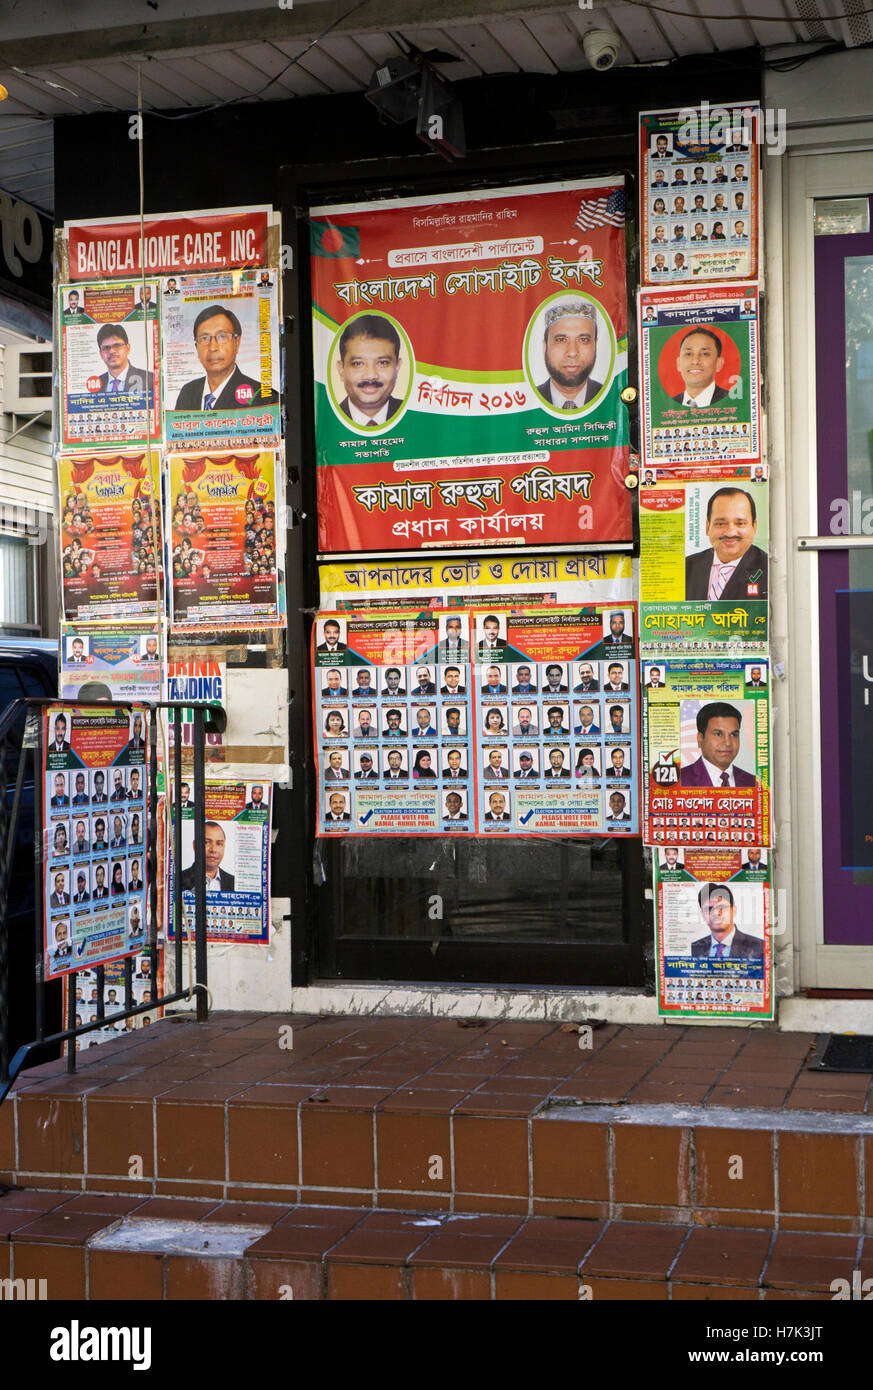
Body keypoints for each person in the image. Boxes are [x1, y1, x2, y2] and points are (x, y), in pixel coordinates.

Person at [174, 304, 276, 410]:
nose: (213, 347)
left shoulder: (264, 398)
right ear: (196, 347)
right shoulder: (188, 392)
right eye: (204, 338)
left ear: (237, 342)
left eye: (222, 336)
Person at [685, 487, 768, 600]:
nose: (730, 532)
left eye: (740, 523)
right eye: (720, 524)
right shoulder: (686, 567)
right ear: (707, 527)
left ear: (754, 527)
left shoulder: (770, 569)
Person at [335, 314, 404, 426]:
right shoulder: (327, 421)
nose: (371, 375)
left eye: (383, 363)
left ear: (397, 367)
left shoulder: (416, 418)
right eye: (358, 363)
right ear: (341, 369)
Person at [535, 299, 602, 410]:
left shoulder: (612, 398)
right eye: (561, 340)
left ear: (595, 345)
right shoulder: (530, 400)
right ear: (545, 347)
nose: (572, 352)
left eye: (583, 340)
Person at [682, 701, 756, 787]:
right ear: (700, 738)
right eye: (718, 734)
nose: (728, 743)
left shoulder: (753, 782)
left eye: (733, 734)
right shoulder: (681, 780)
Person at [691, 882, 763, 959]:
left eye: (721, 907)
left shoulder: (759, 946)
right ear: (702, 914)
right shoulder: (696, 947)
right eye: (709, 909)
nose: (715, 913)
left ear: (734, 911)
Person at [671, 328, 728, 407]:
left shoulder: (733, 401)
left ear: (719, 363)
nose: (695, 361)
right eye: (688, 354)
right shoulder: (667, 405)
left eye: (704, 354)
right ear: (679, 363)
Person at [95, 323, 154, 396]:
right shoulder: (96, 384)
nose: (111, 351)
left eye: (117, 345)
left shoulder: (151, 380)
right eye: (106, 348)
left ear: (128, 348)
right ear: (101, 354)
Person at [181, 820, 235, 891]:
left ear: (224, 847)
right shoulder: (179, 879)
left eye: (219, 844)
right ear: (195, 846)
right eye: (206, 842)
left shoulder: (233, 882)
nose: (213, 850)